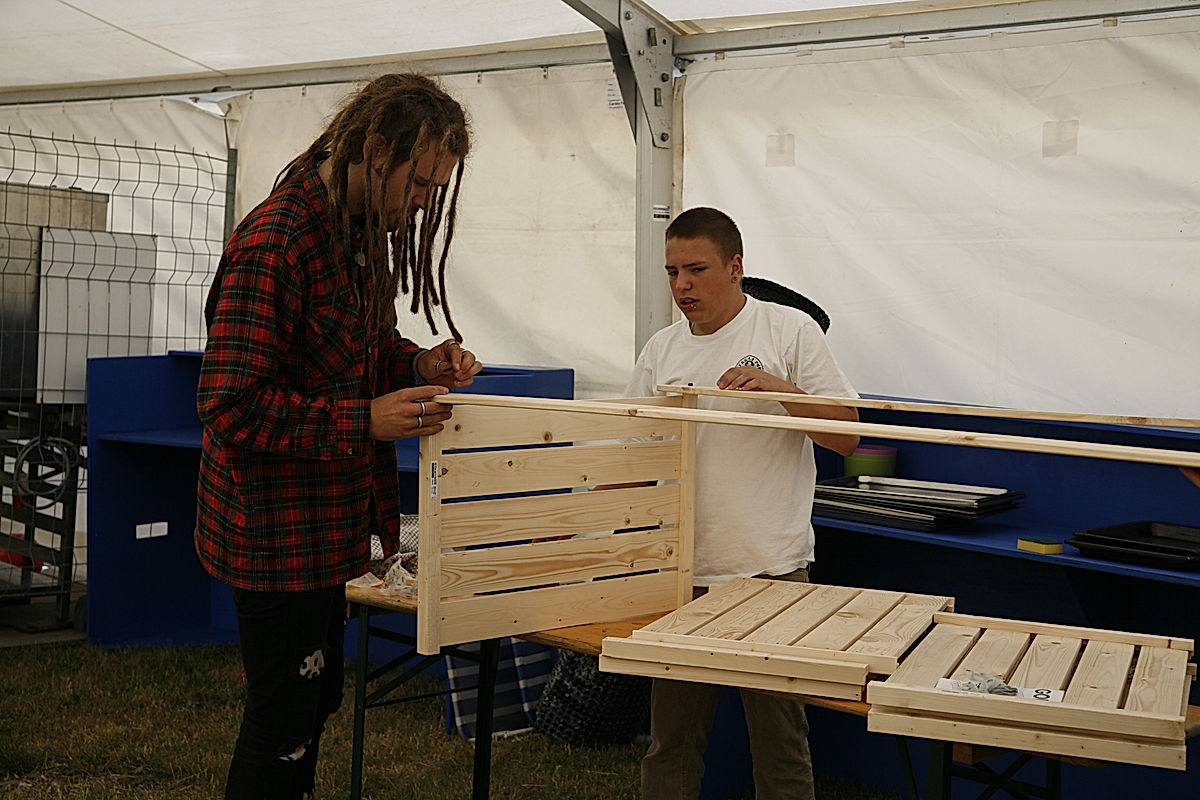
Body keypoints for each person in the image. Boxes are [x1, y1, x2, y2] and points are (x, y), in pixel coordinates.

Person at [195, 73, 482, 799]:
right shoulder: (275, 243)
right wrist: (367, 419)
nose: (423, 203)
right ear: (375, 149)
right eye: (420, 183)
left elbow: (363, 351)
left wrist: (417, 362)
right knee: (281, 725)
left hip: (328, 524)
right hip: (275, 531)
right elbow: (229, 405)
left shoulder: (357, 236)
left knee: (311, 706)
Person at [627, 207, 860, 800]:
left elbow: (847, 435)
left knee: (781, 744)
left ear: (735, 268)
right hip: (680, 571)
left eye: (696, 269)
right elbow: (632, 451)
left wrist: (782, 391)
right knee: (671, 743)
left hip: (771, 569)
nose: (682, 286)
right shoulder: (660, 349)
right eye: (672, 271)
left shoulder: (789, 332)